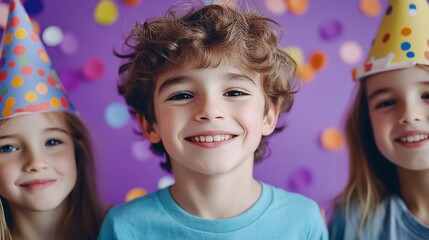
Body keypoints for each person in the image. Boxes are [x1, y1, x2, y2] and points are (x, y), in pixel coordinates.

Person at [98, 3, 328, 239]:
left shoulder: (302, 221)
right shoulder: (123, 228)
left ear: (269, 116)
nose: (209, 111)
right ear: (150, 124)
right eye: (182, 95)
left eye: (235, 92)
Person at [0, 0, 103, 239]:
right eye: (7, 147)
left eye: (53, 142)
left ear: (77, 149)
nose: (36, 163)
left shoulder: (124, 230)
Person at [329, 0, 429, 239]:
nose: (409, 115)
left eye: (427, 95)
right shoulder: (355, 224)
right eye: (386, 103)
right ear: (367, 123)